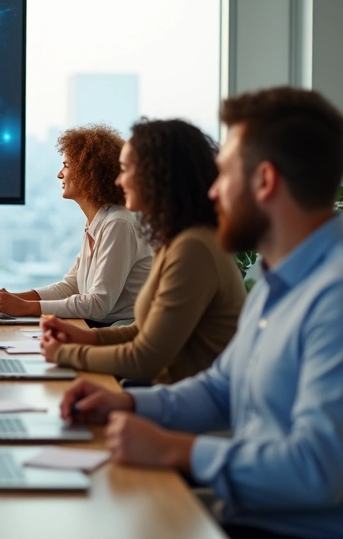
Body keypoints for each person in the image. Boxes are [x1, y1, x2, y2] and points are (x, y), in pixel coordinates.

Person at [60, 88, 343, 539]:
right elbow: (223, 389)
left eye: (223, 175)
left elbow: (316, 470)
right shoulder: (279, 282)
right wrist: (129, 402)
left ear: (265, 182)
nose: (212, 191)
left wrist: (177, 450)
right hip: (258, 513)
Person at [40, 119, 243, 384]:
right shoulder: (177, 240)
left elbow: (144, 359)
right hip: (167, 393)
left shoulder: (194, 248)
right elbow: (146, 330)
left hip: (178, 401)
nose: (118, 180)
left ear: (156, 176)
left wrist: (67, 353)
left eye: (125, 170)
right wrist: (87, 337)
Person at [0, 125, 152, 326]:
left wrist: (25, 307)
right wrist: (11, 298)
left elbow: (98, 304)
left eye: (66, 165)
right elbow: (71, 286)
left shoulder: (118, 223)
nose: (60, 174)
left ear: (89, 172)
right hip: (95, 325)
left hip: (116, 331)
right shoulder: (98, 221)